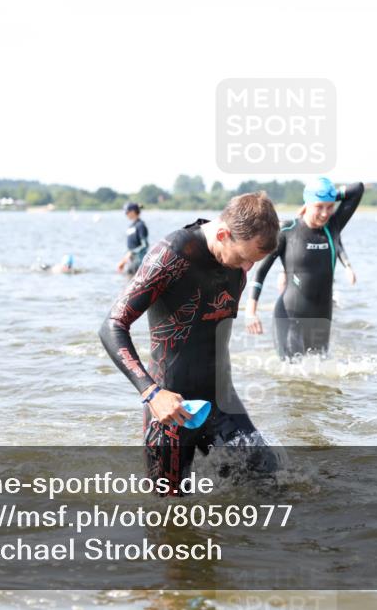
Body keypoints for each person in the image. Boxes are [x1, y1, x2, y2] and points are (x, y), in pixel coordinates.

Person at [99, 192, 280, 493]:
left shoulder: (238, 259)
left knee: (270, 484)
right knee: (169, 518)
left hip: (222, 402)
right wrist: (151, 393)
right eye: (245, 258)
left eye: (254, 262)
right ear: (223, 234)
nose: (247, 269)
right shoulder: (171, 256)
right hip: (170, 409)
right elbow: (112, 326)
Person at [245, 177, 364, 359]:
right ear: (307, 203)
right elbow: (260, 271)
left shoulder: (334, 226)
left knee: (319, 372)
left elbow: (358, 188)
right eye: (319, 206)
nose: (325, 213)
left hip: (322, 317)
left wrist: (331, 195)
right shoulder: (287, 230)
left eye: (330, 207)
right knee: (293, 373)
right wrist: (251, 311)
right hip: (290, 315)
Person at [116, 201, 148, 277]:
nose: (125, 214)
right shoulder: (131, 226)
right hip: (131, 260)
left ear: (133, 212)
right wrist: (124, 260)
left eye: (127, 212)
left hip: (139, 261)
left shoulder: (141, 225)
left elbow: (145, 245)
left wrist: (131, 253)